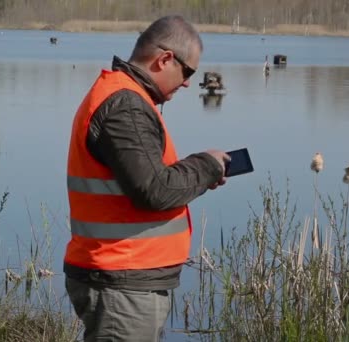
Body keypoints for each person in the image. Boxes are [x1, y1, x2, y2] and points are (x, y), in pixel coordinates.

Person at [64, 15, 231, 342]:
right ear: (165, 59)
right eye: (188, 72)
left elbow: (151, 181)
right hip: (120, 283)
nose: (187, 83)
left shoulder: (126, 98)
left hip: (126, 280)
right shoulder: (125, 105)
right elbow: (154, 190)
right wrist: (206, 166)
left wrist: (197, 173)